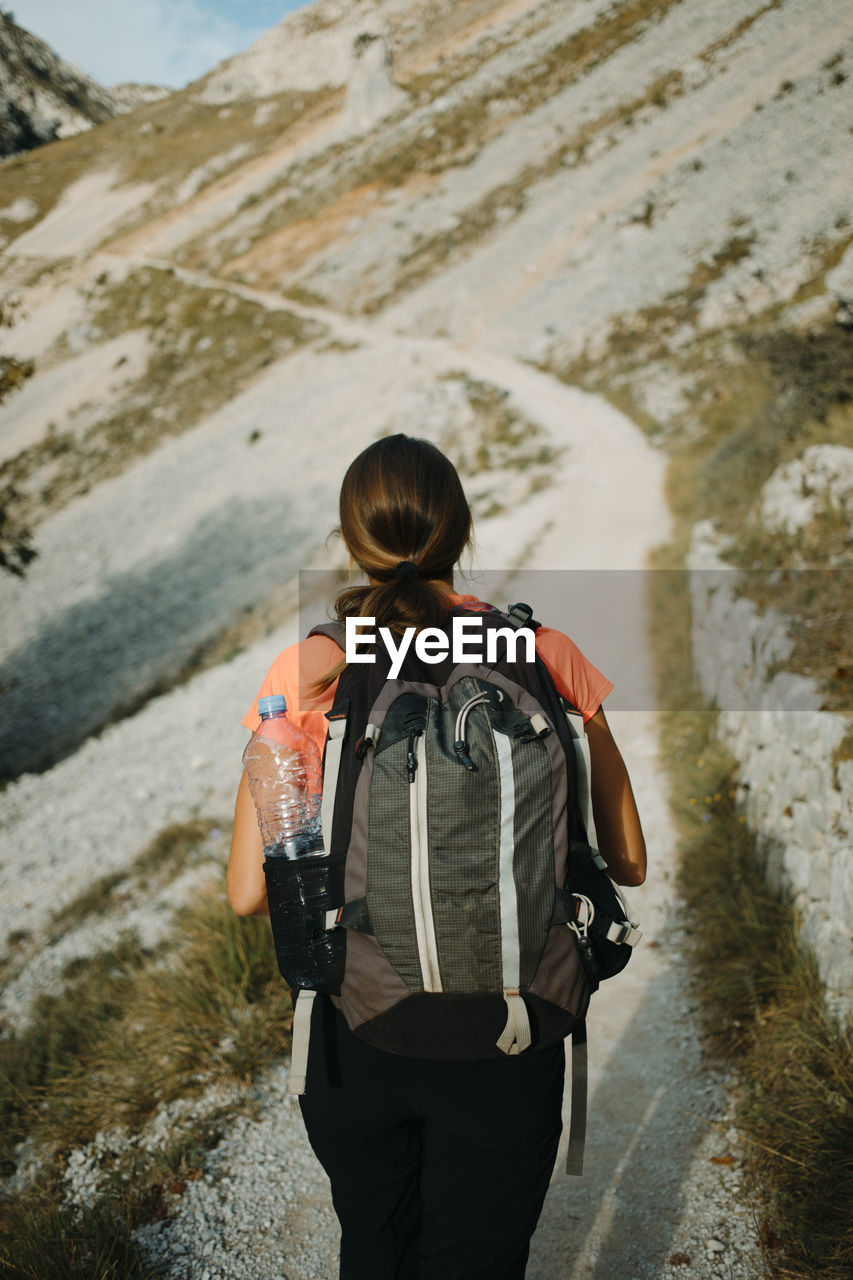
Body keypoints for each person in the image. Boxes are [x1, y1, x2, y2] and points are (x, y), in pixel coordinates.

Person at [227, 433, 646, 1280]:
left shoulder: (311, 668)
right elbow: (627, 862)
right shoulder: (542, 653)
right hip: (511, 1028)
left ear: (353, 541)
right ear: (460, 530)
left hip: (360, 1029)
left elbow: (247, 892)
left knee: (376, 1247)